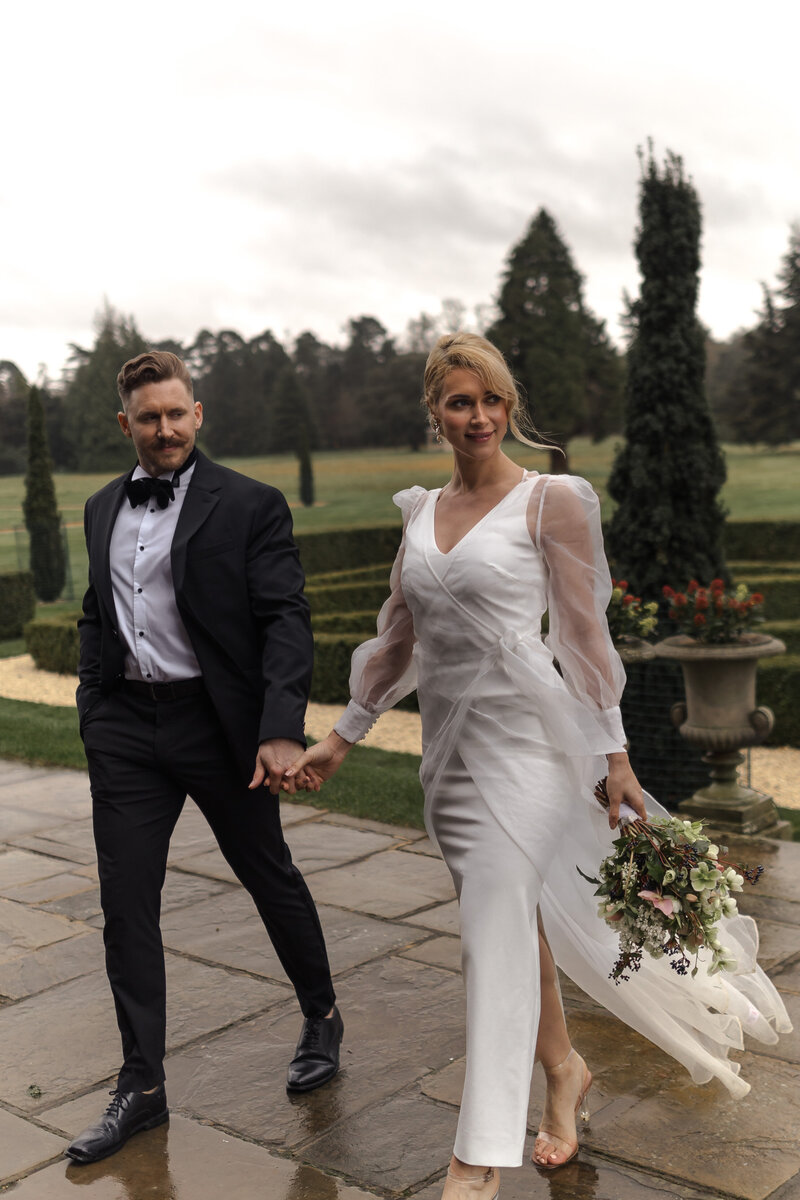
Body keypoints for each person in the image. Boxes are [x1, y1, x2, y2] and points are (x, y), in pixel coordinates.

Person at [283, 333, 791, 1199]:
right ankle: (565, 1072)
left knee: (492, 936)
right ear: (434, 412)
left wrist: (616, 755)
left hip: (528, 750)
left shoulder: (550, 502)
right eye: (458, 402)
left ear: (510, 406)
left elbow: (586, 637)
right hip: (447, 760)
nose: (477, 417)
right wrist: (341, 737)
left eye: (491, 400)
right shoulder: (417, 513)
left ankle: (477, 1154)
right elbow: (397, 640)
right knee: (516, 929)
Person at [66, 351, 342, 1166]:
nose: (165, 430)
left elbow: (287, 619)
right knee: (126, 903)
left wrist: (280, 723)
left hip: (218, 729)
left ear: (198, 413)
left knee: (268, 874)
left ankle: (321, 1014)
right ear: (127, 425)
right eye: (148, 418)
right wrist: (92, 705)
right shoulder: (98, 507)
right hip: (125, 731)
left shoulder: (250, 504)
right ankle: (142, 1087)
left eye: (177, 413)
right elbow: (96, 612)